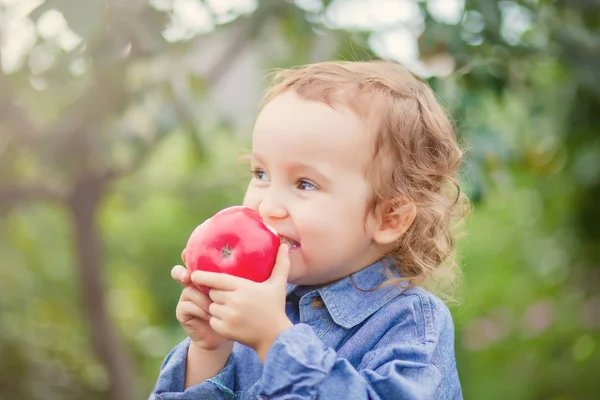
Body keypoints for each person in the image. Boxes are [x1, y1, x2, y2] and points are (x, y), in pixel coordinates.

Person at [150, 60, 468, 399]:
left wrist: (276, 342)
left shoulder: (409, 323)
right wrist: (210, 350)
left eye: (304, 183)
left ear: (389, 217)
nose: (268, 206)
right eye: (261, 174)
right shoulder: (255, 306)